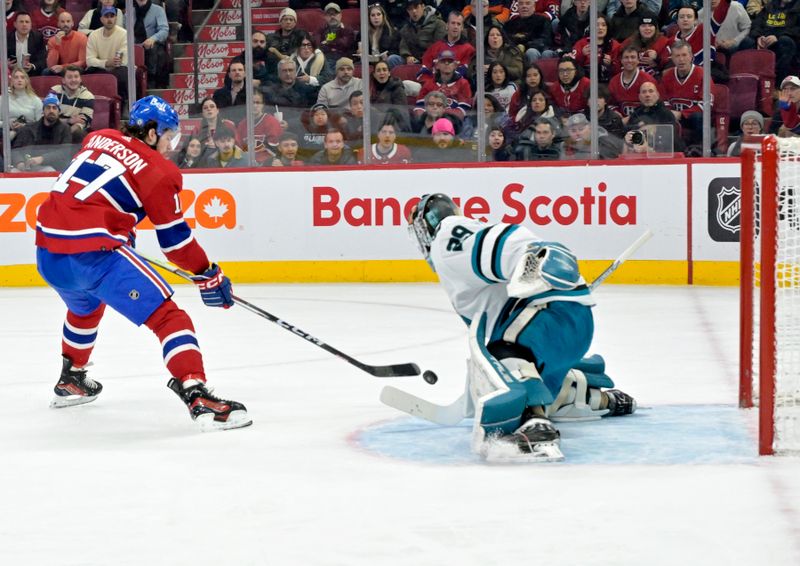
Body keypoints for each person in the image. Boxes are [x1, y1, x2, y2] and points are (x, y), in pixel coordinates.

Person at [34, 95, 251, 431]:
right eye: (168, 137)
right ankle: (198, 396)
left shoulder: (99, 136)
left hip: (47, 252)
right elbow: (176, 244)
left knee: (85, 308)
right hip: (95, 255)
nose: (169, 146)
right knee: (169, 317)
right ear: (152, 133)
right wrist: (207, 272)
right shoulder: (160, 171)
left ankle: (71, 380)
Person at [406, 193, 636, 462]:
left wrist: (532, 260)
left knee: (505, 355)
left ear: (427, 226)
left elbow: (511, 242)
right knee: (515, 370)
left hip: (551, 317)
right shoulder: (452, 255)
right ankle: (591, 398)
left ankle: (536, 425)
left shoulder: (446, 238)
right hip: (561, 326)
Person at [660, 40, 710, 149]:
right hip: (674, 117)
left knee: (699, 117)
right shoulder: (667, 76)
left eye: (684, 55)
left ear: (691, 56)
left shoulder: (703, 75)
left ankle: (698, 149)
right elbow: (664, 101)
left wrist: (682, 114)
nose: (681, 59)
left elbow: (706, 105)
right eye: (677, 56)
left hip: (694, 118)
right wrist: (670, 113)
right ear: (672, 58)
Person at [10, 93, 72, 171]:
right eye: (48, 108)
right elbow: (15, 150)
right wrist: (19, 163)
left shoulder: (65, 129)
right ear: (43, 111)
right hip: (27, 167)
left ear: (59, 112)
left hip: (52, 167)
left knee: (49, 170)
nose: (51, 111)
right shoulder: (28, 128)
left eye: (54, 108)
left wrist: (42, 159)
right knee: (13, 171)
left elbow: (64, 152)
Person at [85, 7, 128, 106]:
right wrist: (106, 63)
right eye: (106, 16)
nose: (109, 19)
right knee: (90, 70)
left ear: (116, 18)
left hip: (120, 68)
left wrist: (109, 63)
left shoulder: (124, 34)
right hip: (103, 68)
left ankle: (124, 105)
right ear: (101, 19)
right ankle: (91, 104)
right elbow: (89, 61)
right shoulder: (93, 35)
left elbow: (122, 60)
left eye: (112, 16)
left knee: (122, 72)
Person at [749, 0, 800, 84]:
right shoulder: (770, 6)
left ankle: (778, 84)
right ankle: (749, 82)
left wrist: (777, 36)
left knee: (785, 42)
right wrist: (758, 36)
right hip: (766, 40)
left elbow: (796, 30)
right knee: (747, 42)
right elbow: (757, 24)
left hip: (789, 43)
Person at [624, 80, 683, 153]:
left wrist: (653, 129)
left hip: (664, 155)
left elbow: (671, 138)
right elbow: (628, 131)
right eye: (644, 92)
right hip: (638, 153)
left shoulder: (665, 113)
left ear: (657, 95)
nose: (647, 95)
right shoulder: (636, 113)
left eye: (651, 91)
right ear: (639, 97)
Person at [415, 49, 473, 119]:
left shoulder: (463, 83)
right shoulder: (429, 84)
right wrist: (427, 119)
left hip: (454, 121)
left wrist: (444, 118)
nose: (446, 63)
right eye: (443, 61)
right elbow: (420, 107)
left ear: (455, 65)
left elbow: (464, 108)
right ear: (437, 65)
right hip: (431, 119)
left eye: (450, 61)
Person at [420, 10, 476, 81]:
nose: (455, 26)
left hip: (456, 89)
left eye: (458, 24)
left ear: (462, 28)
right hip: (432, 87)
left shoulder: (469, 50)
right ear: (447, 25)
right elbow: (424, 71)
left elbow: (463, 74)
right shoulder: (435, 47)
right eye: (453, 23)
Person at [609, 45, 657, 120]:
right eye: (626, 57)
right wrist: (615, 113)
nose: (630, 60)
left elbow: (655, 106)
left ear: (638, 60)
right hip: (621, 123)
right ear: (621, 60)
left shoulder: (648, 80)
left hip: (644, 122)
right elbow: (610, 104)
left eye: (633, 57)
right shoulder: (614, 81)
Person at [236, 89, 282, 166]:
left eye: (258, 102)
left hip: (267, 165)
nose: (255, 105)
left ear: (263, 104)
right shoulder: (242, 124)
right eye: (252, 103)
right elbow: (239, 149)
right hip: (246, 165)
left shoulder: (272, 122)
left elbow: (275, 151)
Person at [50, 65, 95, 143]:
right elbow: (49, 117)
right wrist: (69, 120)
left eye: (76, 77)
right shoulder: (54, 91)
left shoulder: (88, 96)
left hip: (73, 130)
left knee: (78, 133)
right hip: (54, 126)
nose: (73, 80)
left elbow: (83, 122)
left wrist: (65, 134)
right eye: (70, 77)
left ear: (80, 79)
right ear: (63, 80)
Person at [133, 0, 170, 89]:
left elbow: (164, 30)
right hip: (134, 46)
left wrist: (153, 39)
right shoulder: (129, 13)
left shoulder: (158, 10)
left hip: (152, 44)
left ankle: (152, 82)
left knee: (155, 51)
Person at [621, 14, 670, 80]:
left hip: (655, 80)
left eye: (650, 25)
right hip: (632, 79)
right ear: (638, 28)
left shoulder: (664, 42)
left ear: (656, 28)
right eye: (643, 26)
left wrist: (657, 60)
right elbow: (619, 59)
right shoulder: (629, 42)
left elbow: (669, 65)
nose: (647, 28)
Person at [398, 0, 447, 65]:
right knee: (393, 59)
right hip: (412, 61)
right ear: (407, 11)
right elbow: (403, 46)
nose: (414, 11)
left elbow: (439, 46)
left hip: (432, 60)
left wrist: (425, 57)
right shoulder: (406, 28)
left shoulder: (438, 24)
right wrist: (407, 56)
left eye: (416, 7)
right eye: (410, 9)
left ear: (423, 6)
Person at [0, 68, 42, 142]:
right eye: (16, 77)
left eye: (22, 77)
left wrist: (24, 126)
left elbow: (40, 123)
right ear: (12, 81)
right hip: (5, 130)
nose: (19, 80)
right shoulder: (3, 98)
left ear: (26, 81)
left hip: (28, 131)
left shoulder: (36, 100)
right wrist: (7, 124)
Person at [316, 3, 356, 74]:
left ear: (340, 15)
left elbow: (345, 44)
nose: (332, 16)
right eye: (329, 14)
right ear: (325, 17)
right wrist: (334, 46)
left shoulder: (347, 29)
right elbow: (317, 45)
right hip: (325, 59)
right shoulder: (321, 29)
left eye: (335, 14)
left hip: (343, 59)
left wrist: (327, 43)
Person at [6, 11, 48, 76]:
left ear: (31, 25)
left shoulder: (37, 37)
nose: (24, 24)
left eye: (27, 22)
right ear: (15, 24)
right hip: (11, 75)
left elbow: (42, 60)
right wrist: (6, 65)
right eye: (21, 22)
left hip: (31, 75)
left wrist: (32, 66)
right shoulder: (7, 38)